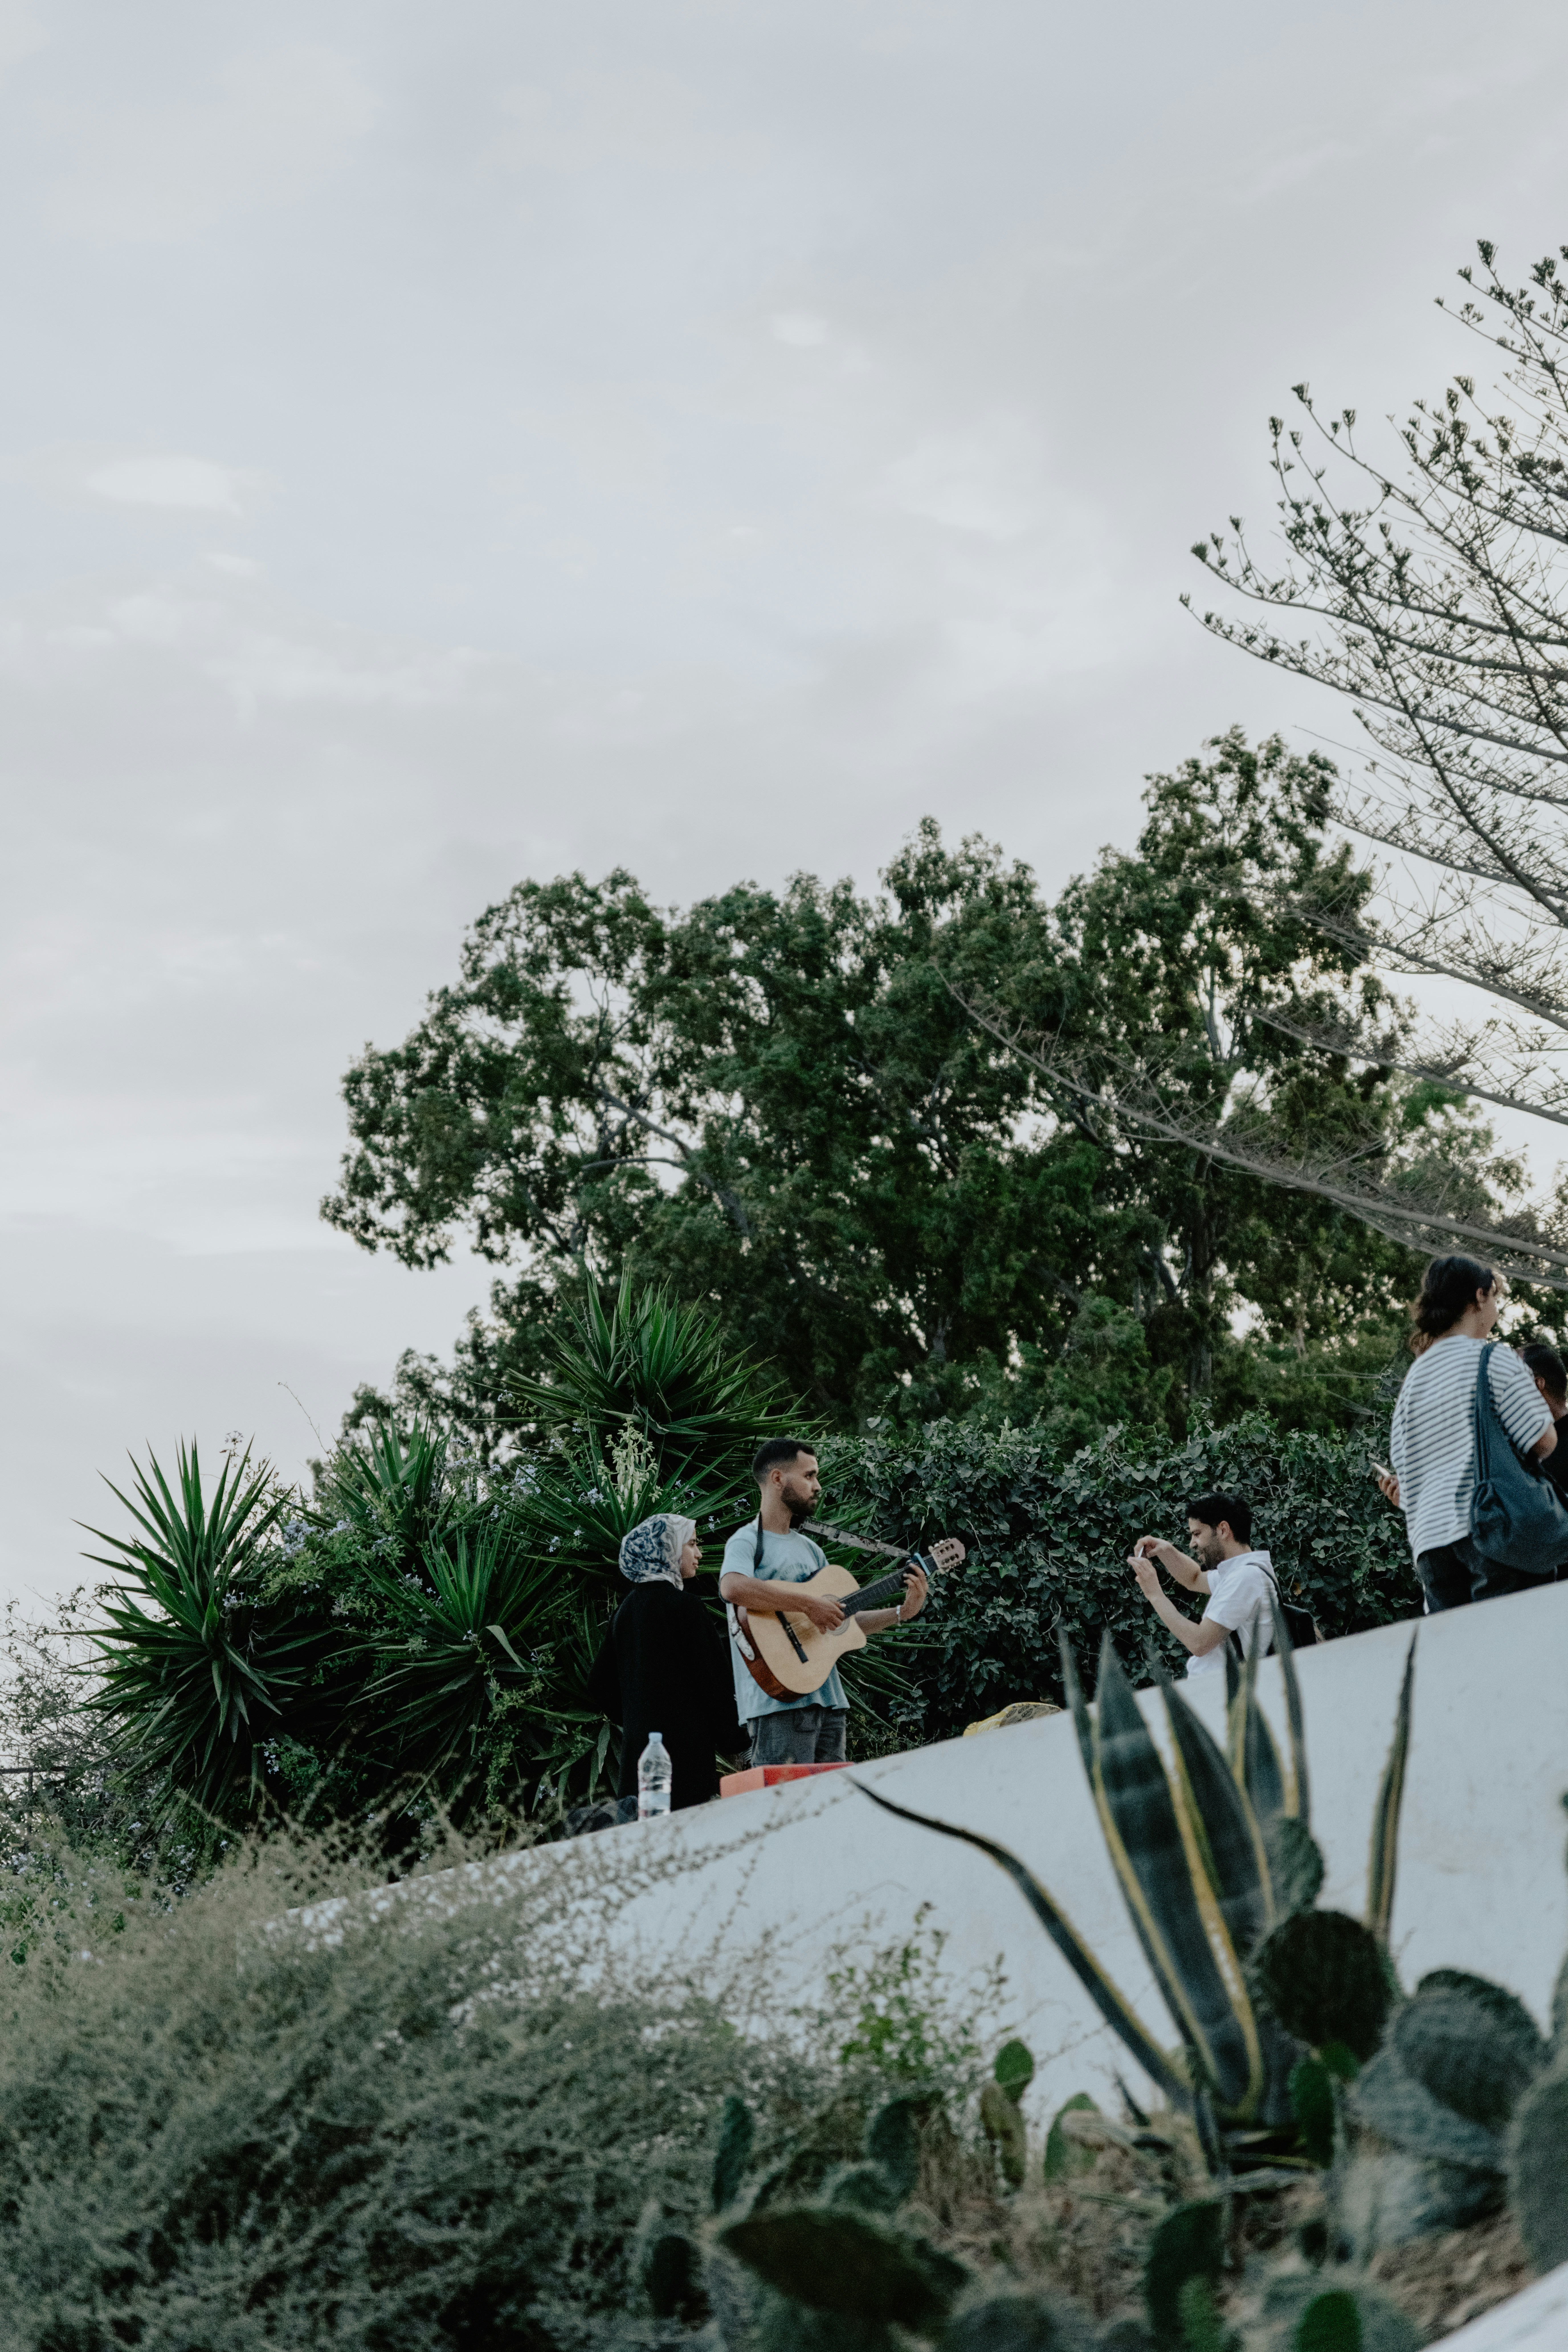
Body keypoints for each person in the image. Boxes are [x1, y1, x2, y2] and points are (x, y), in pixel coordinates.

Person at [718, 1438, 937, 1766]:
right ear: (778, 1479)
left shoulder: (811, 1549)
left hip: (830, 1703)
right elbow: (732, 1587)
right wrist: (808, 1605)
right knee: (787, 1811)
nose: (817, 1486)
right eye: (809, 1476)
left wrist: (902, 1612)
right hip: (778, 1706)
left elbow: (842, 1623)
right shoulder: (747, 1540)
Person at [1377, 1255, 1556, 1612]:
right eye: (1495, 1297)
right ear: (1479, 1296)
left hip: (1431, 1549)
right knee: (1518, 1654)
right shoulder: (1491, 1359)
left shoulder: (1411, 1384)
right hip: (1491, 1533)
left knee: (1464, 1662)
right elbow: (1543, 1439)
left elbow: (1409, 1477)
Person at [585, 1513, 743, 1811]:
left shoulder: (625, 1612)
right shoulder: (685, 1608)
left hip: (640, 1757)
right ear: (667, 1550)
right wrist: (736, 1741)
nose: (699, 1554)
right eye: (692, 1544)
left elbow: (598, 1684)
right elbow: (715, 1684)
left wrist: (638, 1716)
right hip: (686, 1757)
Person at [1128, 1492, 1277, 1677]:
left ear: (1223, 1530)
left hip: (1219, 1691)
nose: (1192, 1544)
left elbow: (1199, 1643)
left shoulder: (1245, 1577)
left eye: (1197, 1534)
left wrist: (1155, 1594)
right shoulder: (1249, 1571)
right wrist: (1167, 1551)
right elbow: (1194, 1579)